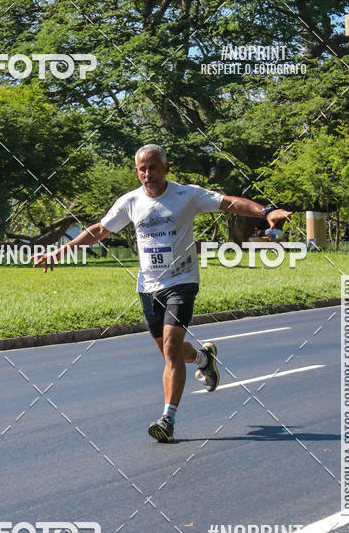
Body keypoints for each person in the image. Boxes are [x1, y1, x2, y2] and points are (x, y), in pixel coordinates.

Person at [34, 144, 291, 442]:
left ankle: (167, 419)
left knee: (171, 347)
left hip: (182, 281)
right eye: (142, 168)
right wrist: (63, 250)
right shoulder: (130, 202)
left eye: (154, 167)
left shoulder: (187, 195)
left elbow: (230, 203)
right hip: (148, 286)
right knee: (172, 353)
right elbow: (99, 230)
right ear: (137, 171)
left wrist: (267, 211)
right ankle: (204, 360)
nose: (148, 174)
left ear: (166, 168)